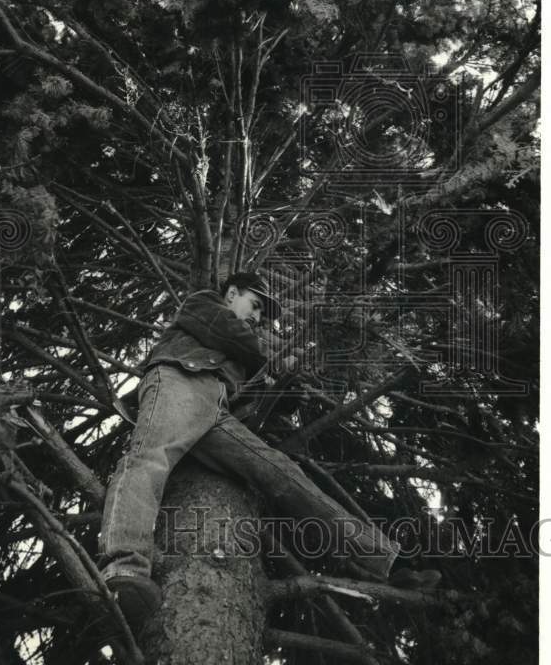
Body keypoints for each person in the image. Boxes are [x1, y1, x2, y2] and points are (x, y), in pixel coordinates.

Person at [97, 271, 400, 633]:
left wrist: (285, 396)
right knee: (148, 459)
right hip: (180, 380)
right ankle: (124, 569)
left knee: (280, 471)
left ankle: (376, 555)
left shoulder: (243, 352)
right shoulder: (203, 304)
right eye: (255, 305)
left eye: (262, 314)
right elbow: (233, 335)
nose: (257, 318)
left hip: (215, 409)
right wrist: (276, 364)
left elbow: (253, 389)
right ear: (231, 293)